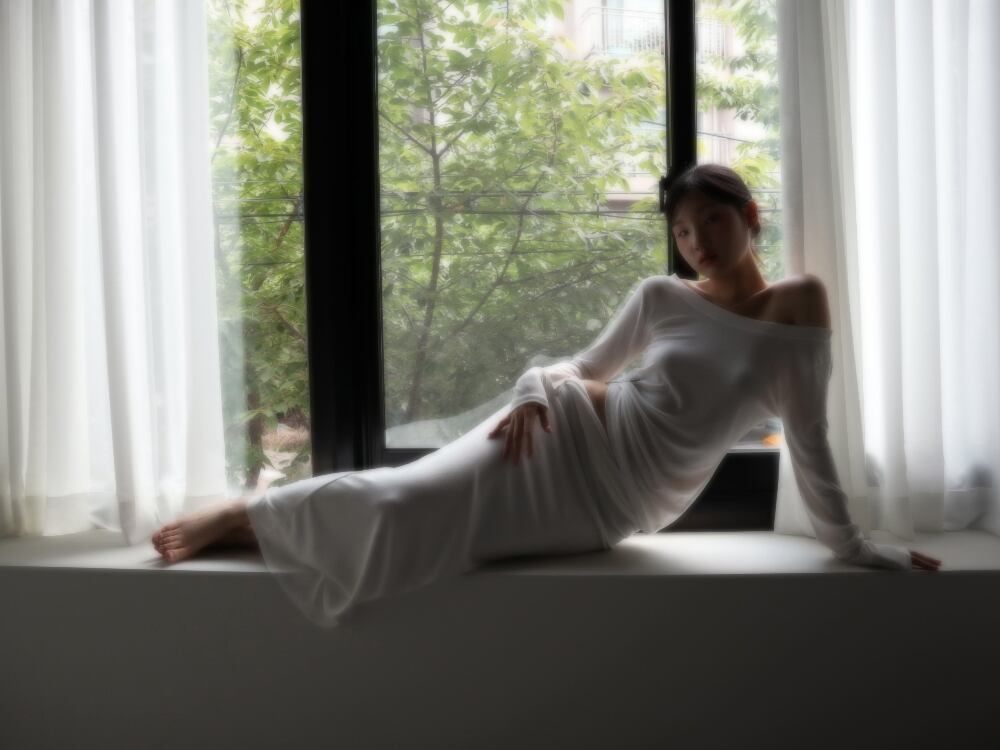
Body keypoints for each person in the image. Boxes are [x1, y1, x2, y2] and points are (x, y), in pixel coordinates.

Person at [151, 162, 942, 628]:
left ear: (750, 217)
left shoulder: (798, 303)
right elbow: (581, 366)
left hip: (611, 508)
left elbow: (810, 437)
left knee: (434, 544)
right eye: (682, 230)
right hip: (554, 430)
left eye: (711, 221)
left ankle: (256, 524)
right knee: (401, 500)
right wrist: (532, 392)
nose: (696, 241)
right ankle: (243, 514)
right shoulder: (662, 297)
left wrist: (853, 546)